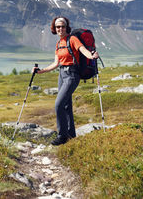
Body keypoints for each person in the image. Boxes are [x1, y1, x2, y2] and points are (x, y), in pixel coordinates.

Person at [33, 16, 99, 146]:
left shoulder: (72, 39)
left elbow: (83, 51)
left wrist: (92, 56)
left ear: (66, 27)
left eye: (62, 26)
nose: (60, 29)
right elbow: (56, 63)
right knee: (67, 106)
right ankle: (71, 135)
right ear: (54, 28)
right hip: (62, 75)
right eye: (58, 27)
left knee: (59, 105)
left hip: (72, 75)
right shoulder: (59, 44)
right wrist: (41, 71)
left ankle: (62, 136)